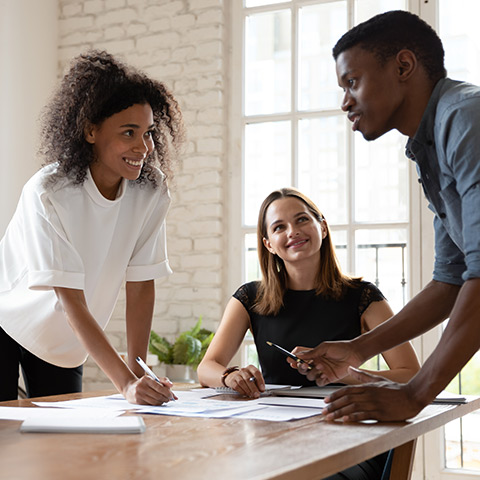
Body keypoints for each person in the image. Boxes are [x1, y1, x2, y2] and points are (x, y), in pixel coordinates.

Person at [291, 9, 480, 423]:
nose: (344, 102)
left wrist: (414, 394)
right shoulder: (428, 146)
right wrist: (357, 349)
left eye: (352, 82)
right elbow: (451, 280)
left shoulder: (465, 118)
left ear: (403, 66)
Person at [0, 50, 185, 405]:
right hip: (7, 319)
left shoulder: (151, 191)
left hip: (63, 342)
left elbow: (142, 285)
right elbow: (69, 298)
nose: (143, 147)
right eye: (128, 132)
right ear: (90, 131)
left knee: (67, 447)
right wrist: (125, 385)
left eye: (147, 133)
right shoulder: (48, 193)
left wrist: (139, 372)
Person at [197, 187, 420, 480]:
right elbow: (206, 368)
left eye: (302, 220)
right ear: (268, 244)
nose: (293, 231)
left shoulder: (364, 297)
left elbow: (411, 374)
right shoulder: (249, 298)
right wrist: (229, 377)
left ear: (322, 228)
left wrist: (344, 374)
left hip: (348, 433)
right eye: (279, 227)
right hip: (275, 438)